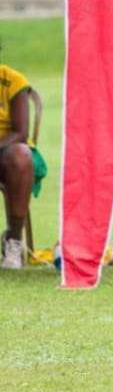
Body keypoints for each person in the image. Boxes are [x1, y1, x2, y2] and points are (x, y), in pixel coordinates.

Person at [0, 59, 35, 270]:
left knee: (21, 157)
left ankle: (14, 241)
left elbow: (21, 133)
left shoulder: (13, 80)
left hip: (7, 152)